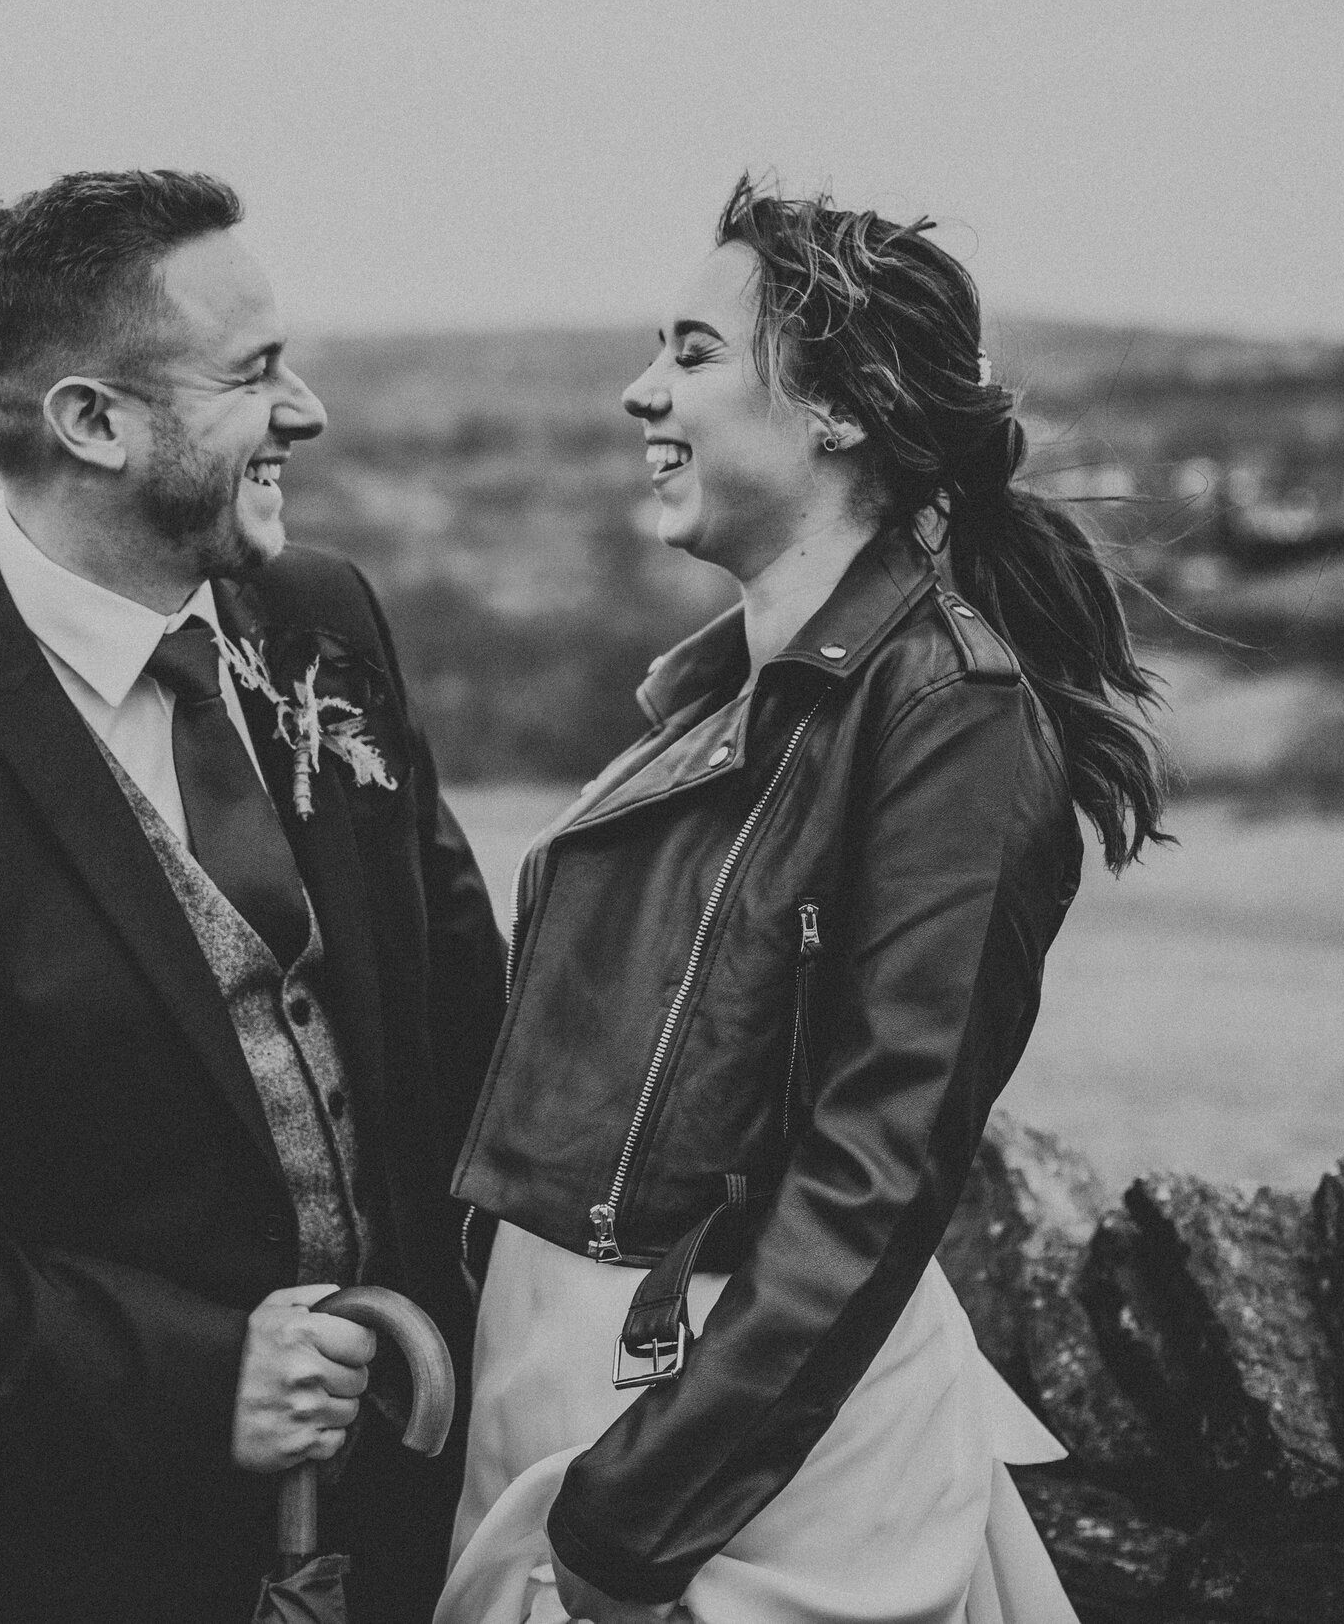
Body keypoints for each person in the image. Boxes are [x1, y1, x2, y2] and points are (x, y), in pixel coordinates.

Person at [0, 169, 505, 1623]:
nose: (307, 409)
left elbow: (465, 1012)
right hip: (55, 1559)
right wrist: (211, 1379)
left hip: (396, 1538)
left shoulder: (327, 622)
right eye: (255, 373)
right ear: (93, 423)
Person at [442, 176, 1171, 1624]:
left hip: (737, 1474)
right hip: (563, 1401)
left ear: (839, 406)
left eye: (694, 354)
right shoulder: (723, 697)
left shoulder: (952, 717)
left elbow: (874, 1173)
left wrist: (631, 1521)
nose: (640, 390)